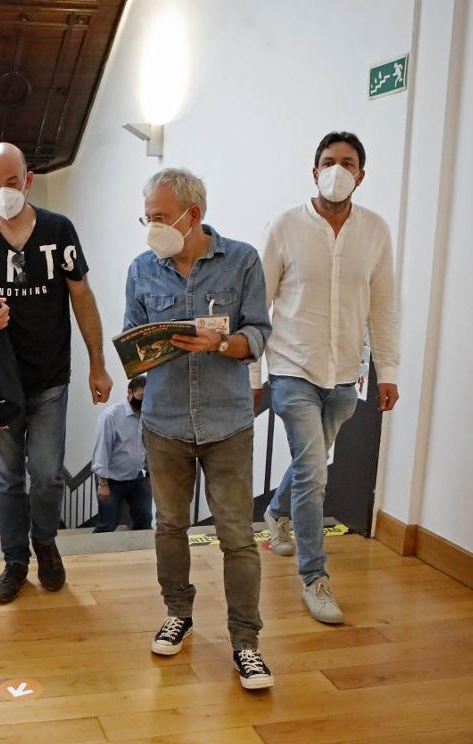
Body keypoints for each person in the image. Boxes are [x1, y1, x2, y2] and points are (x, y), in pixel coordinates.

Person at [0, 142, 113, 604]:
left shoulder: (59, 230)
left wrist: (99, 364)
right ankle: (15, 559)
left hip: (50, 377)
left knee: (48, 473)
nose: (3, 192)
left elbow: (82, 297)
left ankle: (46, 543)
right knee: (6, 476)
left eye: (11, 182)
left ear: (28, 179)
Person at [125, 168, 275, 690]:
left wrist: (222, 345)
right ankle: (178, 613)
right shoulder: (142, 269)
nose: (152, 228)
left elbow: (258, 332)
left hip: (227, 421)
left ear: (194, 216)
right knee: (169, 526)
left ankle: (246, 643)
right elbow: (133, 340)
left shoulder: (242, 260)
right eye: (147, 218)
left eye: (161, 218)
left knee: (237, 536)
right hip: (164, 422)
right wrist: (136, 362)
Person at [258, 131, 400, 625]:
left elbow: (384, 306)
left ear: (361, 175)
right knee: (315, 472)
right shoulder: (285, 226)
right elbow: (260, 304)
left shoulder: (376, 231)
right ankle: (314, 579)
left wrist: (389, 370)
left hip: (344, 376)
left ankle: (275, 512)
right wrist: (255, 371)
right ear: (313, 170)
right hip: (292, 367)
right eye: (328, 161)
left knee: (308, 465)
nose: (336, 169)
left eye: (347, 162)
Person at [91, 375, 152, 533]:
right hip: (111, 481)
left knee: (145, 519)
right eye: (142, 396)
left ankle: (139, 554)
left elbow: (147, 446)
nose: (145, 401)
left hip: (137, 479)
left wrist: (150, 475)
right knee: (107, 525)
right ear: (130, 393)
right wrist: (102, 483)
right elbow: (102, 450)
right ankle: (99, 556)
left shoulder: (147, 415)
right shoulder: (111, 416)